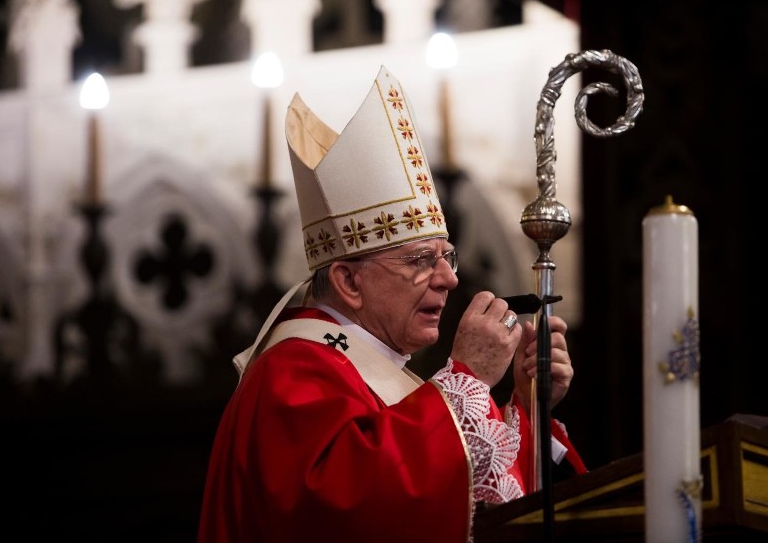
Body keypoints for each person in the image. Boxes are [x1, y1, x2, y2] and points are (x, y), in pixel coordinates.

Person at [198, 66, 586, 543]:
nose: (449, 279)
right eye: (421, 260)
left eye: (448, 257)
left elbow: (480, 508)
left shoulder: (378, 370)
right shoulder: (292, 373)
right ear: (348, 281)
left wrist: (528, 404)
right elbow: (354, 513)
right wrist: (466, 379)